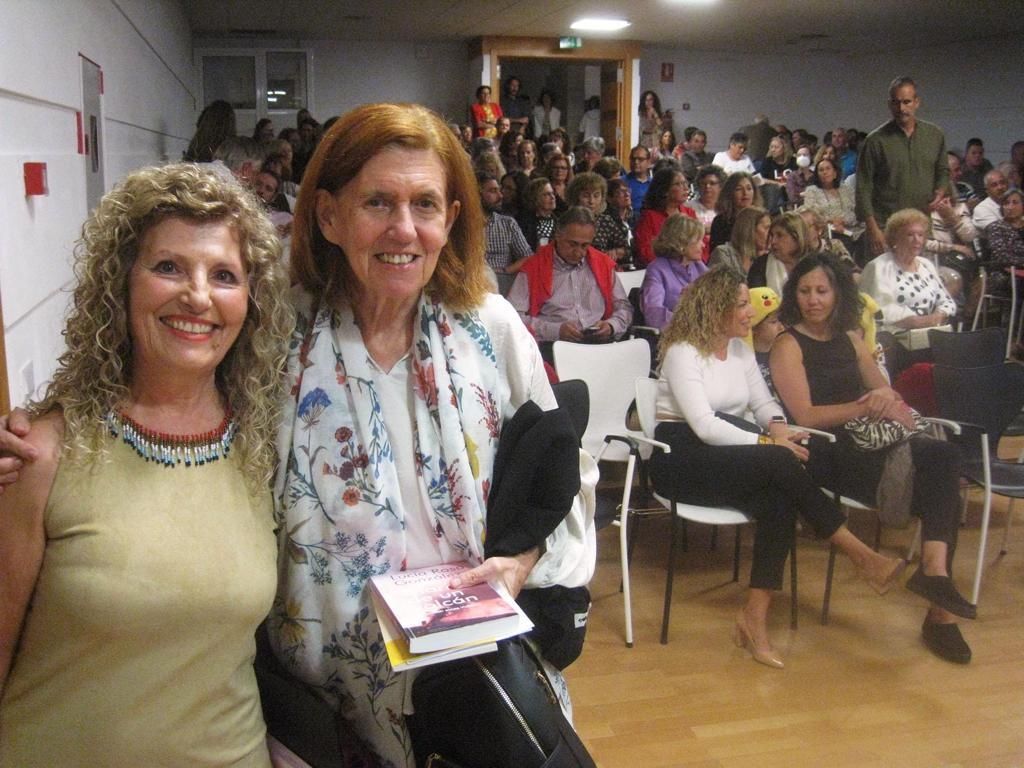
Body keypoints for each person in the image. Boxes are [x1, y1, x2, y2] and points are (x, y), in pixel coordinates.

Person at [0, 164, 293, 764]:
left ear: (251, 301)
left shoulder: (265, 450)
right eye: (168, 267)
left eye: (225, 275)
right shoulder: (41, 453)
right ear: (121, 283)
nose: (198, 295)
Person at [651, 267, 906, 669]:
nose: (750, 313)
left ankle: (754, 617)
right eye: (740, 305)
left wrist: (778, 427)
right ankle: (858, 554)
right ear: (714, 309)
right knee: (778, 460)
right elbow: (703, 425)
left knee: (779, 500)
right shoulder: (684, 350)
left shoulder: (739, 349)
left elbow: (764, 403)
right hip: (680, 455)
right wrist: (769, 443)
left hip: (731, 451)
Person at [771, 254, 976, 664]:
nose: (813, 300)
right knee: (938, 487)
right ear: (794, 295)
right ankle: (939, 614)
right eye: (805, 291)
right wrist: (863, 407)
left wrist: (881, 398)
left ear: (837, 294)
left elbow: (887, 394)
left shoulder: (850, 337)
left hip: (873, 439)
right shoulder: (787, 344)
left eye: (821, 291)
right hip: (825, 448)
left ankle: (935, 576)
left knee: (944, 456)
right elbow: (805, 416)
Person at [508, 206, 632, 360]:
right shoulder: (534, 267)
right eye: (572, 244)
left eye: (585, 245)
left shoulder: (603, 264)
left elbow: (624, 307)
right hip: (553, 348)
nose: (578, 252)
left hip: (600, 344)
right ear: (558, 236)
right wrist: (555, 330)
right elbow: (512, 317)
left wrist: (612, 326)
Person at [856, 76, 949, 258]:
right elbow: (863, 188)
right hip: (885, 228)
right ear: (889, 104)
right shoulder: (876, 140)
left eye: (906, 102)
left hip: (920, 227)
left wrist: (940, 190)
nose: (902, 108)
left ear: (917, 102)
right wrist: (873, 229)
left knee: (917, 281)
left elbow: (943, 170)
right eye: (896, 102)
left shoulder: (934, 135)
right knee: (884, 283)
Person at [860, 208, 957, 334]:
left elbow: (946, 301)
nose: (917, 240)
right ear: (895, 238)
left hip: (930, 332)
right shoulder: (879, 267)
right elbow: (879, 310)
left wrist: (939, 315)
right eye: (910, 235)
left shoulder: (926, 265)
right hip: (892, 335)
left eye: (920, 235)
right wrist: (918, 321)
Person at [640, 213, 708, 329]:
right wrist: (689, 323)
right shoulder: (657, 269)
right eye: (698, 240)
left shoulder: (699, 266)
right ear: (681, 242)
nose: (703, 245)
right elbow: (653, 314)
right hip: (674, 337)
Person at [479, 172, 532, 295]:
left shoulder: (508, 224)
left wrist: (505, 270)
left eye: (499, 190)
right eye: (493, 191)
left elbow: (527, 256)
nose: (500, 195)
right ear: (477, 195)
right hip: (473, 284)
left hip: (503, 285)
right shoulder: (463, 226)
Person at [635, 167, 699, 265]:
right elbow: (646, 252)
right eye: (678, 184)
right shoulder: (649, 217)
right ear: (665, 190)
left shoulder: (689, 213)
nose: (686, 188)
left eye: (685, 183)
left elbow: (702, 244)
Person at [748, 211, 811, 293]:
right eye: (772, 235)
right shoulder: (760, 265)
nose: (773, 241)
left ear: (796, 237)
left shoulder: (813, 264)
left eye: (779, 235)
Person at [802, 157, 862, 243]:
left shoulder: (847, 189)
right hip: (826, 231)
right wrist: (830, 222)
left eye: (828, 169)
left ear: (835, 173)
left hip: (852, 228)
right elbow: (811, 215)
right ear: (817, 175)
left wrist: (842, 221)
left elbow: (857, 212)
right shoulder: (811, 191)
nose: (825, 172)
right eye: (821, 170)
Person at [709, 205, 771, 279]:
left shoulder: (768, 257)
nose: (771, 233)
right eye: (766, 228)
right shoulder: (724, 254)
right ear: (749, 230)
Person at [709, 171, 763, 251]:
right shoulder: (720, 221)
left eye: (749, 188)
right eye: (739, 189)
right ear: (730, 193)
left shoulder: (762, 219)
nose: (745, 193)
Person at [593, 176, 633, 266]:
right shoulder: (606, 220)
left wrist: (620, 251)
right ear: (609, 198)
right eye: (620, 192)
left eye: (627, 190)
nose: (627, 194)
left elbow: (629, 249)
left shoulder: (634, 217)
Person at [517, 176, 559, 251]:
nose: (552, 197)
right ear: (535, 197)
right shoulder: (522, 222)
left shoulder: (560, 222)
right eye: (546, 194)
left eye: (552, 193)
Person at [986, 187, 1024, 267]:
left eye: (1015, 203)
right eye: (1006, 203)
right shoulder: (996, 227)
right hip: (1008, 274)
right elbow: (1003, 257)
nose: (1010, 207)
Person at [625, 145, 654, 213]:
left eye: (640, 159)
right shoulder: (621, 183)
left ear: (648, 162)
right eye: (633, 159)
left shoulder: (654, 184)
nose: (636, 162)